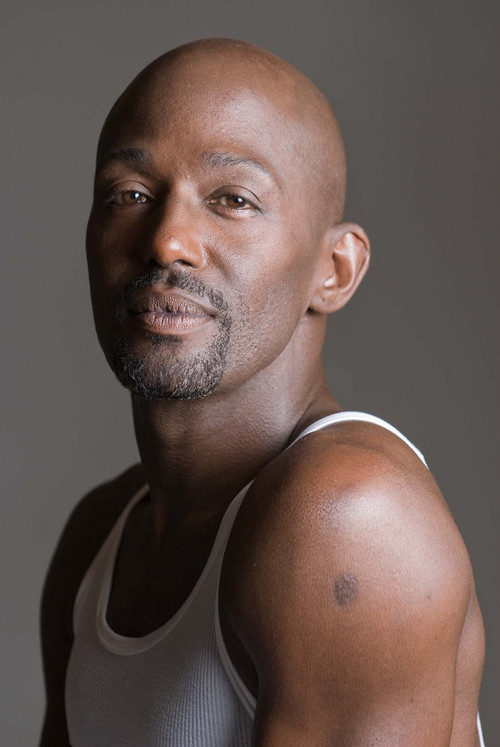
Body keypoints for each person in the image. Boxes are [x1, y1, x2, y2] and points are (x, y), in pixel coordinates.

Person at [39, 37, 486, 746]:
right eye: (131, 194)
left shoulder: (350, 519)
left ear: (335, 270)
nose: (168, 241)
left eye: (234, 200)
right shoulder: (100, 536)